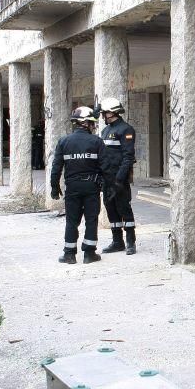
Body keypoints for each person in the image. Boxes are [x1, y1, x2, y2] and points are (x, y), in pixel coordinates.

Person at [50, 107, 108, 264]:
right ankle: (89, 254)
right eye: (92, 123)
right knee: (91, 219)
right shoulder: (97, 141)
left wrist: (54, 187)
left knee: (71, 221)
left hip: (72, 187)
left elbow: (56, 167)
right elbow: (105, 167)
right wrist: (108, 186)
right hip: (91, 187)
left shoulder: (64, 142)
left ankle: (69, 254)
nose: (93, 126)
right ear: (86, 123)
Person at [97, 97, 137, 255]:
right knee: (110, 208)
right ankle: (117, 241)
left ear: (111, 113)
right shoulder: (105, 131)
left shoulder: (125, 129)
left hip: (119, 177)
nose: (102, 116)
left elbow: (128, 157)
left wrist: (120, 179)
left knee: (123, 208)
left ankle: (130, 241)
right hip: (106, 177)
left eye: (104, 113)